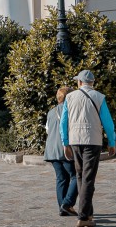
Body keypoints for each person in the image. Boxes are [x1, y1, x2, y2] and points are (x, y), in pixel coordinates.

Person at [60, 70, 116, 227]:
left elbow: (63, 122)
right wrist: (112, 142)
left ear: (79, 82)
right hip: (93, 140)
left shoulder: (70, 97)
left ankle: (88, 213)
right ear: (93, 82)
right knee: (88, 178)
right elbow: (108, 122)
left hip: (75, 140)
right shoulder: (99, 97)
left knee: (80, 176)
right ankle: (84, 216)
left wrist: (65, 142)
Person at [45, 87, 77, 217]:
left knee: (61, 178)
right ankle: (67, 203)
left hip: (51, 149)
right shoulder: (70, 110)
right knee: (76, 176)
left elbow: (47, 129)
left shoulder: (51, 112)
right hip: (64, 149)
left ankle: (62, 207)